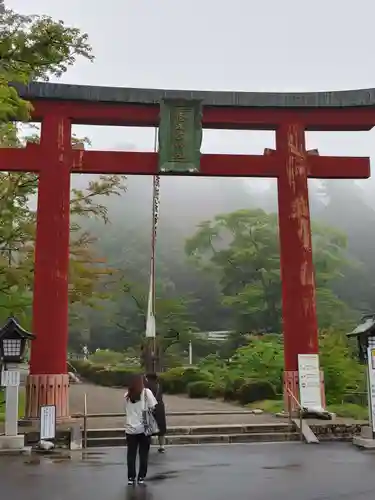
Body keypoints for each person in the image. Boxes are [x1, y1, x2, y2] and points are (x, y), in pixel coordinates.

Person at [124, 374, 157, 485]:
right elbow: (153, 407)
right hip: (144, 428)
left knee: (131, 454)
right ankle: (141, 477)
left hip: (130, 429)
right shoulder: (147, 392)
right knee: (143, 454)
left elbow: (126, 410)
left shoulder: (127, 395)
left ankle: (131, 477)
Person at [145, 372, 167, 453]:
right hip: (160, 407)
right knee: (161, 427)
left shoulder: (146, 386)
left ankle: (146, 446)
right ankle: (162, 446)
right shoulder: (159, 385)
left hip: (149, 407)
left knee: (147, 427)